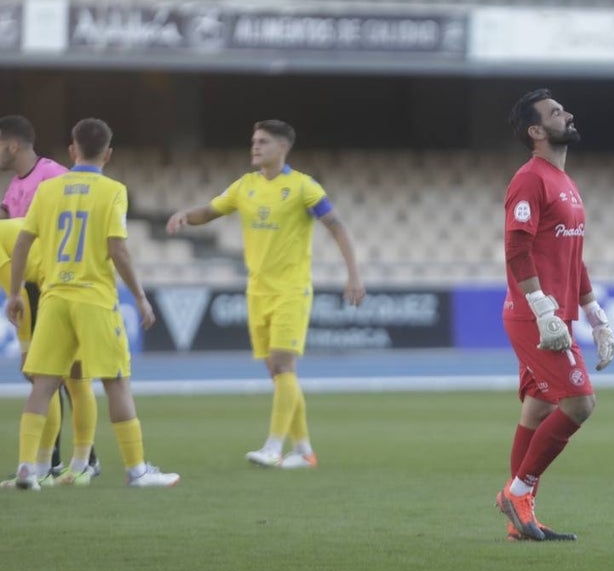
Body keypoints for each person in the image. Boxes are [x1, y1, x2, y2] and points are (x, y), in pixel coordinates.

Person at [166, 119, 364, 469]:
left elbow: (338, 226)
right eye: (254, 141)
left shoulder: (303, 187)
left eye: (263, 141)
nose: (255, 147)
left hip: (291, 290)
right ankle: (304, 451)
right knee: (278, 372)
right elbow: (210, 211)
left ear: (283, 147)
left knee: (283, 364)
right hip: (257, 291)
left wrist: (354, 275)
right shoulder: (245, 186)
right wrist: (185, 215)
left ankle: (273, 447)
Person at [5, 118, 179, 490]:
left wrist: (17, 292)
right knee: (116, 382)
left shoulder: (49, 190)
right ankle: (136, 471)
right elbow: (117, 248)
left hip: (53, 298)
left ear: (72, 150)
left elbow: (22, 243)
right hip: (94, 298)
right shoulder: (113, 190)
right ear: (109, 154)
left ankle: (27, 467)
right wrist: (140, 297)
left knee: (43, 385)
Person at [496, 89, 614, 542]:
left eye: (564, 109)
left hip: (556, 315)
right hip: (534, 316)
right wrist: (543, 307)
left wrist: (595, 314)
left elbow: (573, 258)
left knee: (539, 407)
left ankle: (520, 517)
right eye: (555, 113)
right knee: (580, 403)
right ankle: (518, 491)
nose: (567, 114)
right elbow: (516, 248)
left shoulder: (565, 182)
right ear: (536, 131)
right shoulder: (530, 179)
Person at [0, 114, 101, 485]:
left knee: (71, 377)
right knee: (39, 377)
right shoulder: (14, 186)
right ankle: (50, 462)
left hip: (58, 284)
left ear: (12, 145)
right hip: (28, 287)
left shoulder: (55, 175)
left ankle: (84, 458)